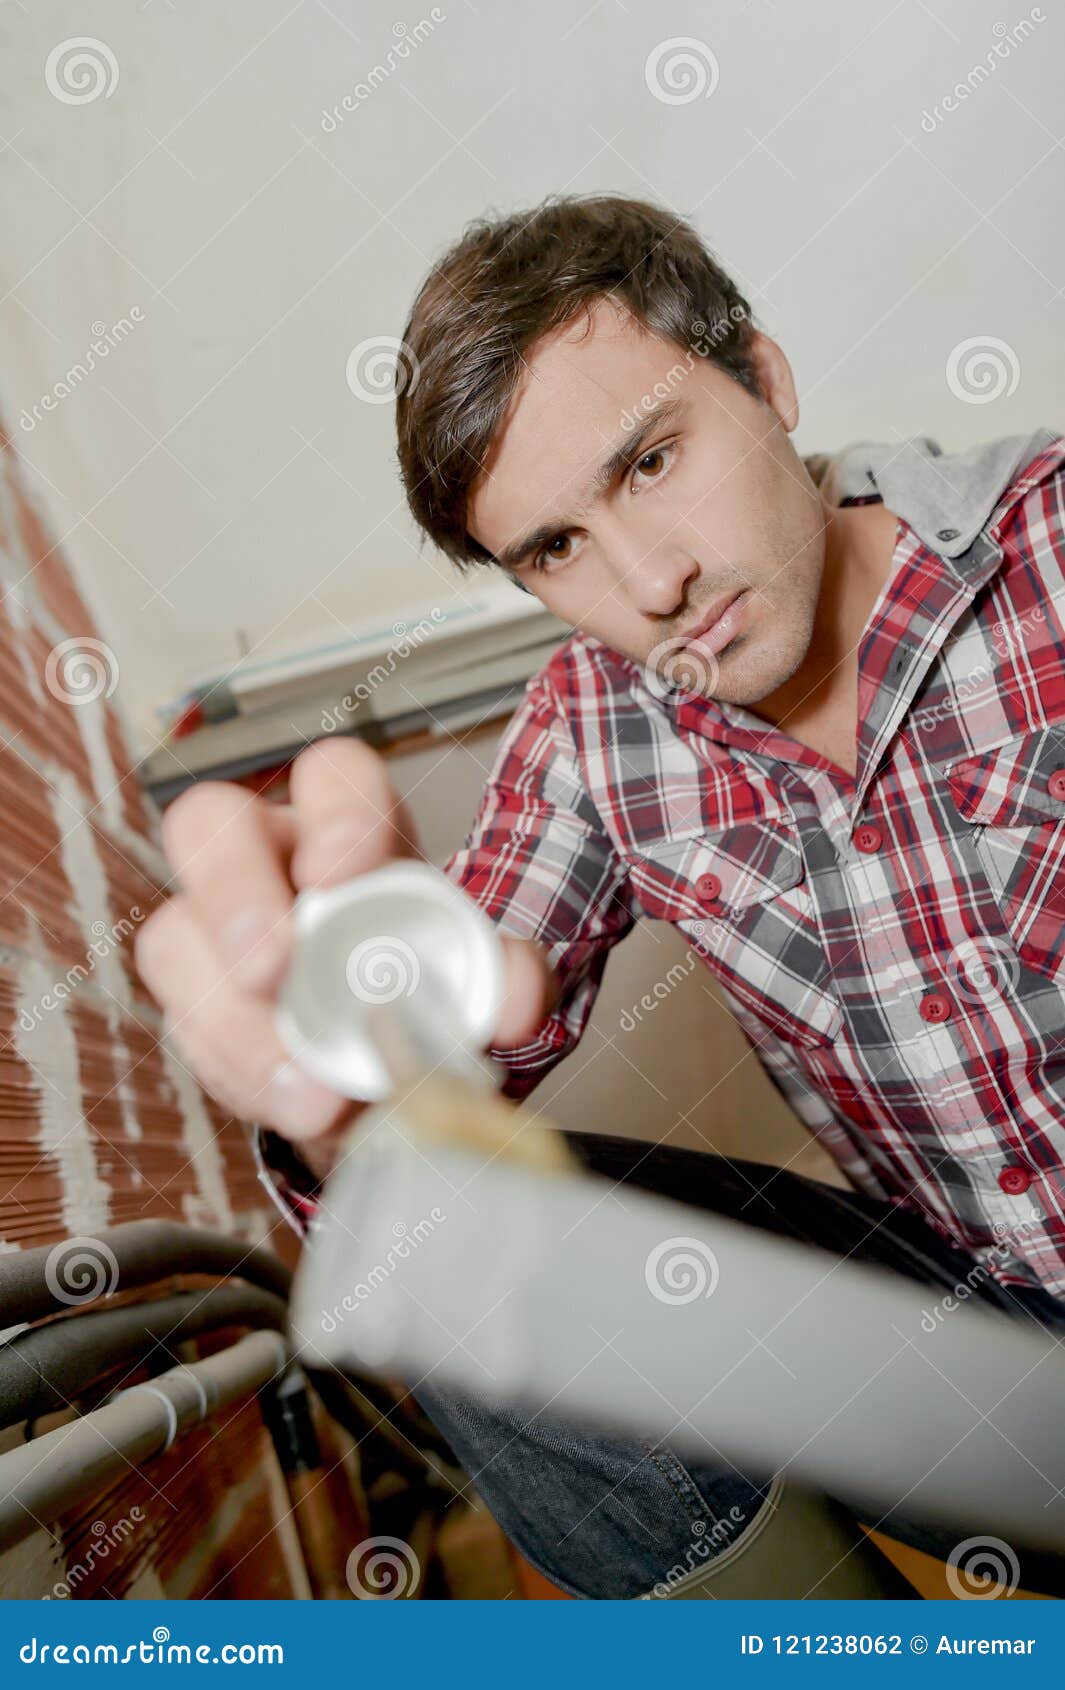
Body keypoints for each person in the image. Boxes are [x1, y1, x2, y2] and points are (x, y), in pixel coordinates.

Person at [135, 194, 1065, 1598]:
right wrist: (350, 1024)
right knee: (445, 1237)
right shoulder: (594, 724)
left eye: (649, 460)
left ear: (762, 380)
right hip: (986, 1369)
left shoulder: (1046, 540)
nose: (652, 582)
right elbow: (457, 997)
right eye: (554, 548)